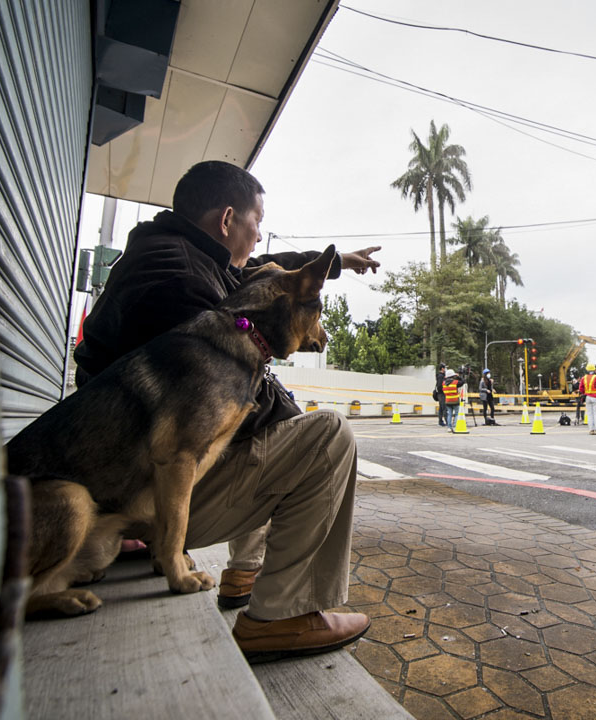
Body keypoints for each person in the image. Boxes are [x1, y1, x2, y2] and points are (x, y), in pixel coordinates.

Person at [73, 160, 381, 661]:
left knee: (277, 432)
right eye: (256, 225)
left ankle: (243, 572)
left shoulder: (172, 254)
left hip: (120, 478)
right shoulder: (182, 285)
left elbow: (266, 272)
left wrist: (336, 262)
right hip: (132, 496)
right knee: (322, 438)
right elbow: (207, 413)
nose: (259, 240)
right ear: (227, 221)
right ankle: (282, 616)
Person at [581, 363, 596, 435]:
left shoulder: (583, 378)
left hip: (588, 397)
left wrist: (585, 394)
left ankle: (591, 429)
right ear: (594, 369)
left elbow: (581, 388)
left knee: (590, 414)